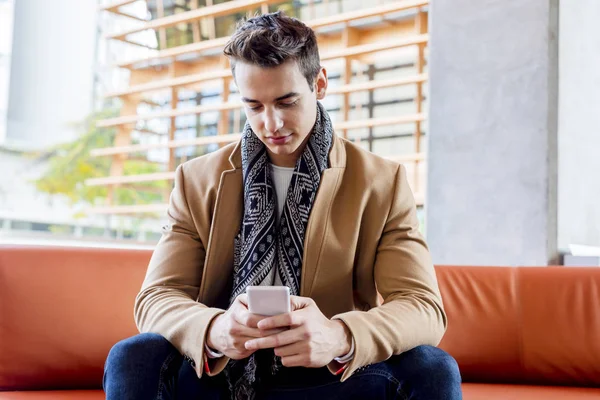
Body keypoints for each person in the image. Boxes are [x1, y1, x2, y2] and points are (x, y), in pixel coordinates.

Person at [103, 11, 461, 400]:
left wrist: (339, 335)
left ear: (319, 84)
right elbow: (157, 297)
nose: (271, 123)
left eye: (286, 101)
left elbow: (423, 306)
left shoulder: (381, 181)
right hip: (221, 374)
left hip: (328, 374)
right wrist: (215, 330)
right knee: (132, 357)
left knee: (433, 366)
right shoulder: (197, 179)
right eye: (254, 106)